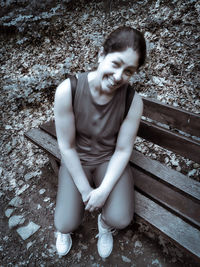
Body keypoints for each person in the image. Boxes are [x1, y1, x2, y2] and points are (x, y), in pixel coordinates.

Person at [54, 26, 146, 258]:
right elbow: (66, 146)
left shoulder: (132, 101)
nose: (118, 77)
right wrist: (87, 191)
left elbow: (124, 149)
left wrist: (103, 191)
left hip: (109, 159)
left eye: (128, 71)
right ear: (101, 55)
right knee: (64, 223)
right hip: (77, 159)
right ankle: (66, 225)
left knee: (121, 218)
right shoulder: (68, 90)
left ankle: (104, 225)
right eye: (116, 64)